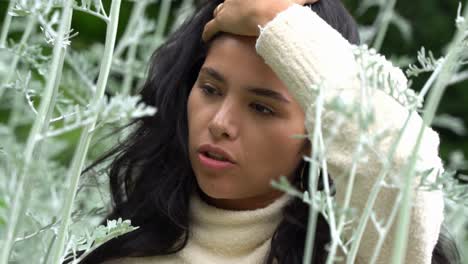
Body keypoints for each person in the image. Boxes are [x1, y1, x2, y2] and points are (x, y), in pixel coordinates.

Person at [78, 0, 460, 263]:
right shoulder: (122, 248)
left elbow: (399, 165)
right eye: (210, 89)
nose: (220, 123)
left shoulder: (347, 252)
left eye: (262, 107)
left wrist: (278, 24)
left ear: (319, 130)